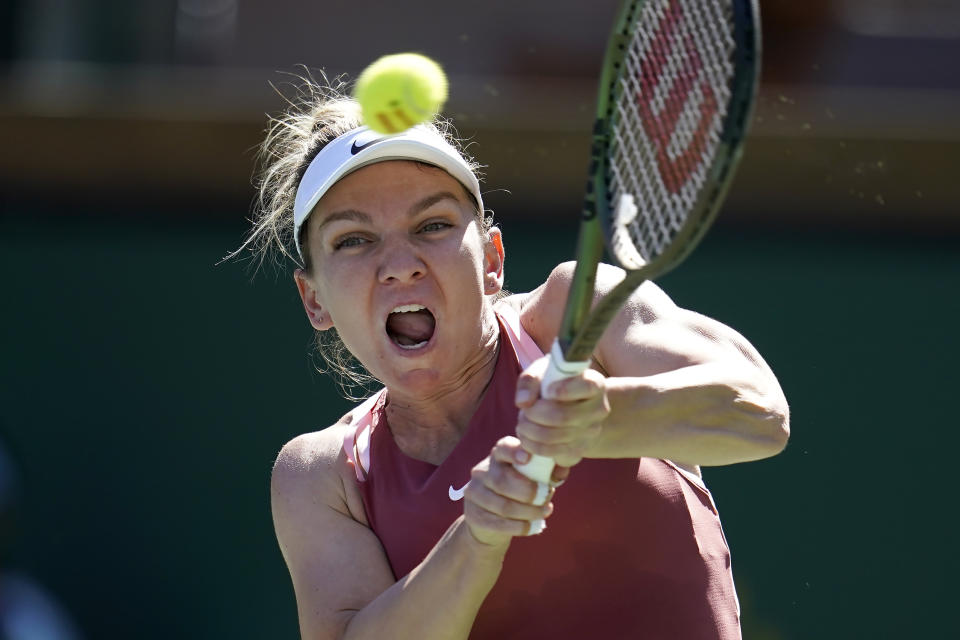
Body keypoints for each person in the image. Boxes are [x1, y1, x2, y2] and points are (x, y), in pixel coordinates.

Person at [242, 76, 789, 639]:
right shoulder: (322, 474)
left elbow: (759, 413)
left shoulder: (578, 314)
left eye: (432, 225)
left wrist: (600, 420)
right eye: (353, 240)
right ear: (314, 300)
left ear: (492, 261)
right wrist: (476, 538)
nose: (400, 264)